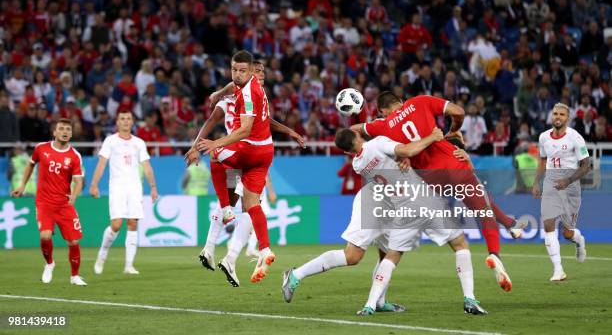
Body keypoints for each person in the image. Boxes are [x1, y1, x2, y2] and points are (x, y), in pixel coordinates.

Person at [282, 128, 487, 316]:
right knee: (354, 256)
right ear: (359, 136)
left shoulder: (357, 163)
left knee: (386, 252)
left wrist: (404, 156)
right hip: (376, 201)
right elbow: (405, 147)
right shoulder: (379, 143)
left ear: (346, 152)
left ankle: (378, 302)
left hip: (390, 200)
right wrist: (429, 140)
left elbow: (397, 150)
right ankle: (295, 275)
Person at [351, 92, 524, 292]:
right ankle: (494, 253)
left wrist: (356, 116)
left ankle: (511, 225)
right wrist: (453, 130)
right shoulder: (420, 101)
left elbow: (355, 130)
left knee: (480, 200)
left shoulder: (382, 125)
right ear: (400, 100)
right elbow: (459, 112)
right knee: (482, 207)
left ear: (383, 111)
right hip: (452, 164)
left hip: (430, 179)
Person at [193, 59, 302, 286]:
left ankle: (214, 250)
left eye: (262, 72)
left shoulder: (255, 93)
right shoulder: (236, 95)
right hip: (241, 152)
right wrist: (198, 145)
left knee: (242, 205)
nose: (260, 75)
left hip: (242, 153)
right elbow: (214, 118)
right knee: (238, 205)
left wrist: (290, 131)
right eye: (257, 71)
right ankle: (225, 253)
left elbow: (264, 120)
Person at [185, 51, 276, 283]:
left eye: (242, 70)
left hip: (242, 150)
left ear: (251, 72)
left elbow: (239, 128)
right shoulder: (247, 86)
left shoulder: (246, 94)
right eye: (234, 70)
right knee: (251, 205)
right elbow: (230, 89)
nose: (237, 74)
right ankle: (262, 250)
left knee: (214, 155)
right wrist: (218, 92)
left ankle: (221, 228)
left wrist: (206, 144)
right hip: (262, 151)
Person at [10, 118, 87, 286]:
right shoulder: (41, 149)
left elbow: (79, 181)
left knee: (73, 241)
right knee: (45, 235)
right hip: (44, 202)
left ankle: (74, 276)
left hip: (64, 203)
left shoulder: (74, 156)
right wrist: (22, 185)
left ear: (71, 133)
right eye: (61, 128)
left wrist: (74, 195)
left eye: (68, 129)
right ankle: (49, 263)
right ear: (55, 132)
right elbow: (30, 165)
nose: (65, 131)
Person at [89, 110, 159, 275]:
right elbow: (101, 164)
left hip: (135, 187)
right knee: (116, 224)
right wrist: (94, 184)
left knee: (133, 223)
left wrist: (153, 187)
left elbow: (147, 166)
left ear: (132, 122)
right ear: (117, 122)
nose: (126, 121)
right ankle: (102, 254)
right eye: (122, 118)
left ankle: (129, 265)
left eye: (128, 118)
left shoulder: (139, 143)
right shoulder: (110, 141)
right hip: (117, 187)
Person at [533, 103, 589, 281]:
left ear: (568, 118)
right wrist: (536, 182)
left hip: (570, 185)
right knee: (548, 224)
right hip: (550, 182)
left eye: (562, 114)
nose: (558, 117)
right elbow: (543, 160)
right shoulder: (543, 138)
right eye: (555, 113)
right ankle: (558, 270)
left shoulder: (575, 138)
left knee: (567, 233)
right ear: (551, 116)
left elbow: (586, 164)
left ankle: (579, 240)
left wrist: (569, 180)